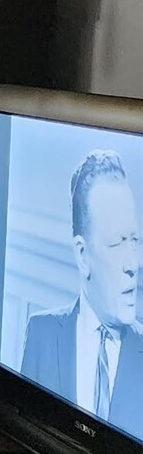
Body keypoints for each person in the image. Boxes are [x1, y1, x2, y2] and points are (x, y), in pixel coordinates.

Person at [20, 150, 143, 432]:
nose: (132, 264)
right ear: (83, 255)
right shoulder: (41, 333)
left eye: (135, 240)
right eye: (117, 243)